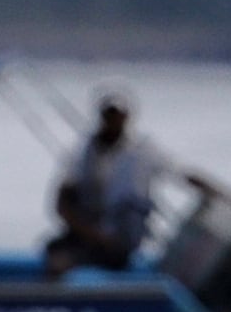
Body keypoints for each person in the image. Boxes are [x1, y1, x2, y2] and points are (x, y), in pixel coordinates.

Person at [44, 91, 159, 277]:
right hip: (89, 232)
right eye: (109, 115)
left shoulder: (141, 151)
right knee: (57, 253)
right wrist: (92, 233)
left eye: (117, 116)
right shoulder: (82, 152)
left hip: (120, 236)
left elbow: (178, 170)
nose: (113, 121)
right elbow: (62, 202)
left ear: (126, 117)